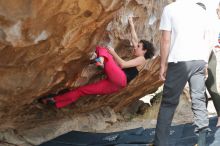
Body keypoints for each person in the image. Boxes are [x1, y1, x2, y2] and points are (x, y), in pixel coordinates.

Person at [39, 17, 155, 108]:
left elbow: (123, 65)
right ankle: (55, 101)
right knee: (81, 91)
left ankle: (101, 60)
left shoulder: (143, 59)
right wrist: (131, 23)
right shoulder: (141, 53)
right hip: (115, 85)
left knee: (103, 49)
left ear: (144, 50)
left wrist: (113, 52)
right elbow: (135, 39)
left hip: (120, 78)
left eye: (138, 47)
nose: (135, 47)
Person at [154, 0, 210, 146]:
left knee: (168, 103)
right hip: (198, 60)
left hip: (179, 61)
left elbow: (165, 40)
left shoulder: (170, 9)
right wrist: (205, 62)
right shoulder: (201, 10)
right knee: (199, 100)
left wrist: (162, 65)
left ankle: (160, 143)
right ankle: (202, 142)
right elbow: (205, 38)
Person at [206, 2, 220, 127]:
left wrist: (205, 63)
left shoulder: (210, 25)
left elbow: (211, 45)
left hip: (209, 58)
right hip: (195, 61)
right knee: (198, 92)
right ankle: (201, 119)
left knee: (212, 88)